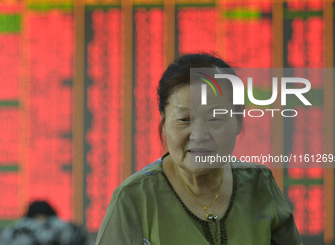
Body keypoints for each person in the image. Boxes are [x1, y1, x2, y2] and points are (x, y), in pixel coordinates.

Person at [95, 53, 302, 245]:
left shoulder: (260, 185)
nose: (199, 134)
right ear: (164, 122)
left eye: (215, 118)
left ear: (239, 120)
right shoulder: (134, 198)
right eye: (185, 119)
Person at [0, 200, 88, 245]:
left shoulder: (14, 232)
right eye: (37, 219)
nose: (40, 223)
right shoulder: (69, 230)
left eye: (44, 219)